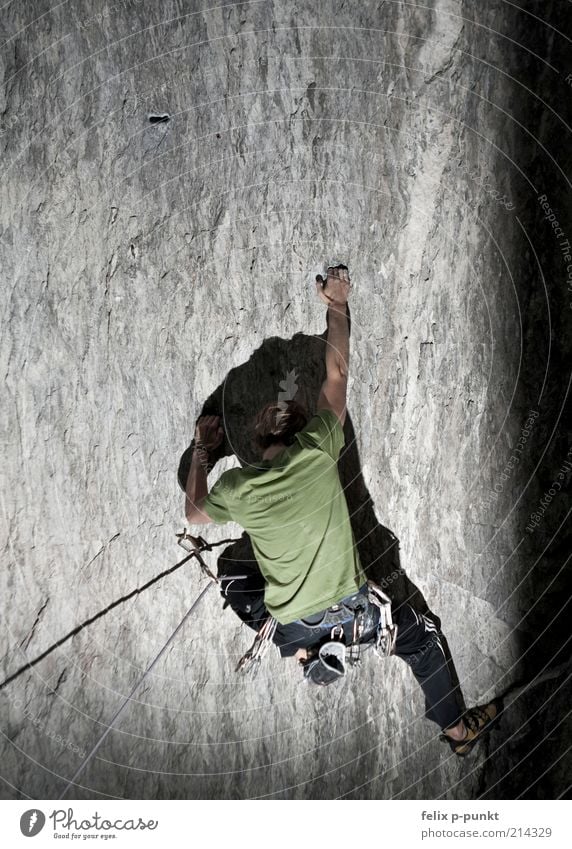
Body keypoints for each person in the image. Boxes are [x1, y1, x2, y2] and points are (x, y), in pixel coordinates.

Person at [183, 264, 501, 756]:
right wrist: (336, 303)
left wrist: (202, 447)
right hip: (355, 614)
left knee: (232, 570)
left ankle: (301, 649)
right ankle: (457, 731)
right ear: (300, 431)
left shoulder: (238, 488)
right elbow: (337, 372)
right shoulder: (319, 448)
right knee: (423, 637)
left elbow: (195, 512)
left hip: (297, 621)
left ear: (255, 442)